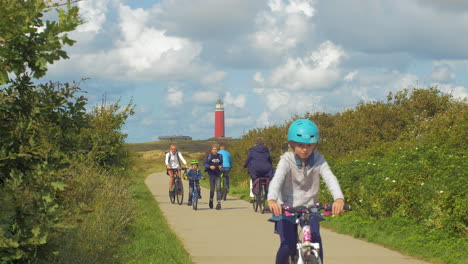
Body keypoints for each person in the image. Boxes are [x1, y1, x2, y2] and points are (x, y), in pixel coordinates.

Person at [267, 119, 345, 264]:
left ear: (315, 145)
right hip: (286, 208)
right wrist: (272, 200)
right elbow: (277, 179)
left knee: (316, 241)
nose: (305, 149)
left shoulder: (319, 160)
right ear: (292, 144)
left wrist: (338, 198)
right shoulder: (286, 160)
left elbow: (330, 178)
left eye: (309, 145)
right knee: (287, 246)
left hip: (309, 208)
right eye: (300, 145)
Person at [244, 137, 274, 203]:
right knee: (269, 178)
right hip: (266, 169)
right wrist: (271, 164)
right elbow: (269, 159)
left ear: (256, 143)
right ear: (263, 143)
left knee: (253, 179)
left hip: (255, 169)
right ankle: (267, 192)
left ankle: (255, 194)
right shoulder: (266, 149)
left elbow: (248, 159)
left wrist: (245, 165)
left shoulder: (252, 150)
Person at [203, 143, 223, 210]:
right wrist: (210, 166)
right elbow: (204, 163)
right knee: (212, 189)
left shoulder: (220, 156)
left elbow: (221, 163)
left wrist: (221, 166)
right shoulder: (209, 156)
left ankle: (218, 203)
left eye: (216, 149)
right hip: (211, 174)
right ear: (211, 150)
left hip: (218, 174)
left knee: (218, 188)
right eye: (213, 149)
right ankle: (211, 200)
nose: (215, 150)